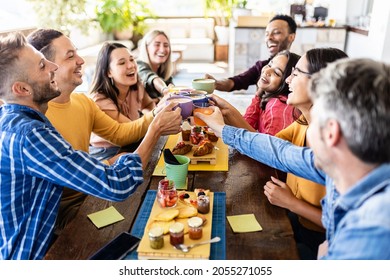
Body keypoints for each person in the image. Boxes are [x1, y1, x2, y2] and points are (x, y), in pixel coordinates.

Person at [0, 32, 181, 259]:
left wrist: (108, 163)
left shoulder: (23, 121)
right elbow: (117, 184)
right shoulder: (30, 135)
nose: (53, 67)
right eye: (42, 65)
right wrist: (155, 129)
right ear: (23, 90)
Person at [196, 58, 390, 259]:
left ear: (331, 133)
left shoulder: (373, 231)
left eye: (316, 116)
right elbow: (279, 151)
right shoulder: (344, 164)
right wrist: (222, 129)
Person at [266, 48, 348, 259]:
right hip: (295, 222)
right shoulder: (302, 124)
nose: (287, 81)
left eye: (296, 73)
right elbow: (265, 145)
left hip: (322, 241)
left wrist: (291, 202)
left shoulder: (340, 146)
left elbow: (341, 223)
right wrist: (225, 117)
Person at [88, 42, 157, 160]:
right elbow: (128, 131)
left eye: (132, 59)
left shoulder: (135, 86)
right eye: (122, 63)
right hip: (107, 153)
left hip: (133, 143)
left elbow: (149, 104)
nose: (131, 65)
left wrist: (148, 113)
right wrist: (156, 114)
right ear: (108, 72)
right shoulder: (100, 99)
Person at [205, 14, 297, 92]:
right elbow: (236, 82)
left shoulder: (299, 68)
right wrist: (215, 83)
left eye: (276, 32)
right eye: (267, 34)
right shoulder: (262, 66)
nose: (269, 38)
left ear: (291, 37)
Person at [241, 50, 300, 134]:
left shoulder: (279, 107)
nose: (267, 71)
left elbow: (266, 146)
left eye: (276, 73)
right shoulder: (269, 97)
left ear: (287, 82)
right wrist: (259, 94)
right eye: (269, 64)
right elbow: (248, 123)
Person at [137, 30, 174, 103]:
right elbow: (152, 78)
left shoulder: (163, 70)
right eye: (157, 44)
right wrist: (164, 89)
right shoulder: (139, 65)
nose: (162, 50)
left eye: (166, 45)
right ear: (146, 48)